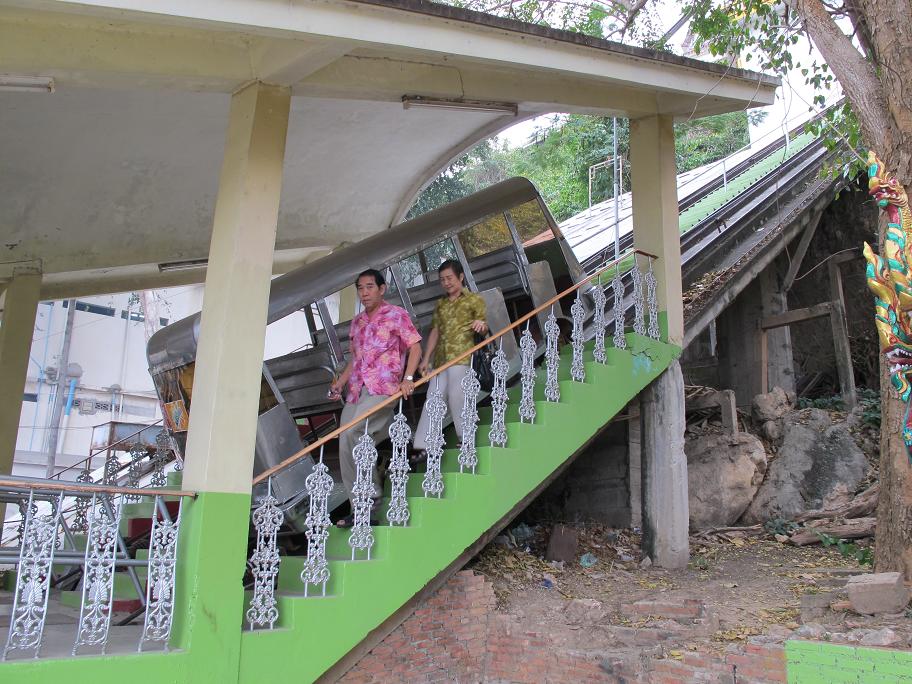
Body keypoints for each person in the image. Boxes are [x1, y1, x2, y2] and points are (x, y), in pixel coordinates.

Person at [329, 269, 422, 527]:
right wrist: (340, 384)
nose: (364, 292)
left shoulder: (396, 315)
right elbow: (355, 359)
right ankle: (360, 508)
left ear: (382, 289)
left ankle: (370, 500)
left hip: (383, 388)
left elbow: (415, 346)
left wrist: (409, 378)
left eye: (370, 287)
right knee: (345, 442)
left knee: (352, 433)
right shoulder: (357, 322)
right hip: (358, 390)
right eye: (360, 288)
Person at [413, 259, 487, 459]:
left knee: (457, 396)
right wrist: (425, 358)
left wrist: (480, 324)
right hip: (441, 359)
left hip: (463, 355)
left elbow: (483, 324)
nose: (446, 283)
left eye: (449, 278)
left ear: (460, 277)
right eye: (442, 279)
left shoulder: (474, 300)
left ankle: (465, 437)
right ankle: (424, 445)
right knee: (433, 398)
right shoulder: (441, 304)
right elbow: (435, 332)